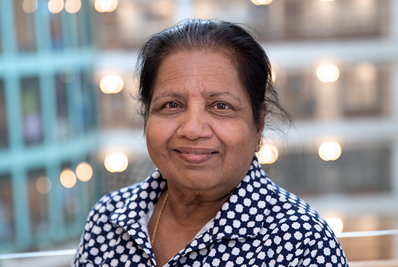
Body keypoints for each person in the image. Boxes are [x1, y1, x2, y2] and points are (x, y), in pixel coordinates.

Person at [72, 19, 348, 267]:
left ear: (258, 124)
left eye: (221, 106)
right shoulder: (108, 219)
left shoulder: (303, 244)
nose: (192, 129)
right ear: (147, 116)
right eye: (171, 105)